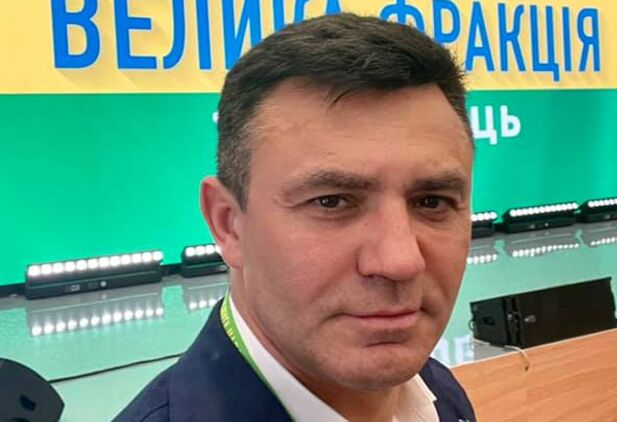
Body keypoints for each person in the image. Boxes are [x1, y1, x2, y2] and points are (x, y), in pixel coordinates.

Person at [115, 13, 476, 422]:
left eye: (432, 202)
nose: (400, 261)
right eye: (331, 202)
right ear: (228, 224)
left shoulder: (440, 394)